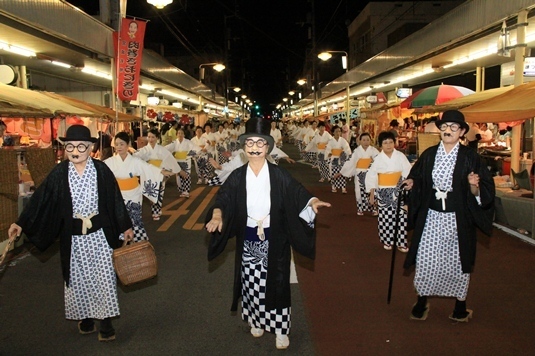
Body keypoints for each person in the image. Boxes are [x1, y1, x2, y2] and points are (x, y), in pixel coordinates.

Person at [205, 117, 331, 350]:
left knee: (277, 282)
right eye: (250, 142)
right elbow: (223, 197)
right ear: (244, 147)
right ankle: (256, 320)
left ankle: (281, 329)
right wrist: (217, 214)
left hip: (275, 237)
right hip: (249, 237)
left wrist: (311, 202)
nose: (254, 147)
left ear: (268, 147)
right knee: (251, 283)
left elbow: (297, 192)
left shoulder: (278, 174)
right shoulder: (237, 175)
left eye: (260, 143)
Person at [8, 125, 134, 342]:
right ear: (65, 148)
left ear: (90, 147)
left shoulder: (102, 170)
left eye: (80, 146)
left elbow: (115, 199)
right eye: (70, 147)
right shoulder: (59, 173)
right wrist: (21, 223)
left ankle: (105, 324)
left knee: (103, 278)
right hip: (73, 238)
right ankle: (85, 319)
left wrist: (125, 225)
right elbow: (42, 198)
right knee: (77, 280)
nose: (75, 151)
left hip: (99, 235)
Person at [402, 110, 495, 322]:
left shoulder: (471, 158)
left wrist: (474, 187)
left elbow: (483, 193)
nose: (448, 131)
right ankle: (421, 300)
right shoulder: (429, 154)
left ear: (462, 131)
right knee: (426, 259)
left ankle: (460, 306)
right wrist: (411, 183)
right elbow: (417, 177)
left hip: (458, 218)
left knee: (457, 262)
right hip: (432, 217)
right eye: (444, 127)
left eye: (454, 127)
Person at [105, 131, 172, 241]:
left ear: (128, 145)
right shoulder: (109, 162)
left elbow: (148, 168)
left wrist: (161, 172)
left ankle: (139, 243)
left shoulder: (135, 161)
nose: (119, 147)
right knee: (119, 220)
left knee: (135, 220)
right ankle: (121, 244)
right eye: (116, 144)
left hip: (134, 195)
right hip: (117, 196)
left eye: (122, 144)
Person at [365, 131, 412, 252]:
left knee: (401, 217)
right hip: (383, 191)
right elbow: (371, 176)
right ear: (380, 145)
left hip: (399, 189)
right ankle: (387, 240)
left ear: (394, 143)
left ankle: (401, 241)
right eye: (385, 143)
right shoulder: (377, 159)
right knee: (386, 217)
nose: (388, 145)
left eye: (391, 142)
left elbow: (408, 171)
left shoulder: (400, 156)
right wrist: (372, 193)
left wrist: (408, 183)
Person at [133, 128, 183, 220]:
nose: (150, 139)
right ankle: (156, 209)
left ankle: (156, 211)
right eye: (148, 137)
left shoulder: (162, 150)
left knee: (159, 192)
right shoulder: (144, 150)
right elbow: (135, 157)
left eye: (153, 137)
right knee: (151, 192)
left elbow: (169, 158)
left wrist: (178, 170)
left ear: (157, 138)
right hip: (148, 173)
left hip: (160, 173)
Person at [339, 132, 380, 215]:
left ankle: (374, 208)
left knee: (372, 189)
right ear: (360, 141)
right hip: (359, 173)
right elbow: (350, 162)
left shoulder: (373, 150)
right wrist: (342, 172)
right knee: (359, 191)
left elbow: (380, 160)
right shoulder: (357, 151)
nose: (366, 142)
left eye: (368, 140)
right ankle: (360, 208)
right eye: (364, 140)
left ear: (370, 141)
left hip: (370, 173)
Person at [165, 127, 198, 198]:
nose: (180, 135)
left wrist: (188, 155)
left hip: (186, 161)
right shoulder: (174, 142)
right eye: (179, 133)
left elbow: (195, 148)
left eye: (182, 133)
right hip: (178, 161)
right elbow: (167, 148)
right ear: (176, 135)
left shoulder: (188, 142)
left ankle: (186, 191)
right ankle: (182, 190)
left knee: (186, 175)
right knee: (178, 176)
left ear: (184, 135)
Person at [325, 126, 351, 193]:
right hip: (333, 158)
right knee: (334, 173)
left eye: (339, 131)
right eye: (336, 131)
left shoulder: (343, 140)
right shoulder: (330, 141)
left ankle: (343, 188)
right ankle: (333, 187)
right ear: (333, 132)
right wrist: (329, 154)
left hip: (341, 159)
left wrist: (346, 154)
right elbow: (328, 150)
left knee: (342, 173)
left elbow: (347, 149)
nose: (338, 133)